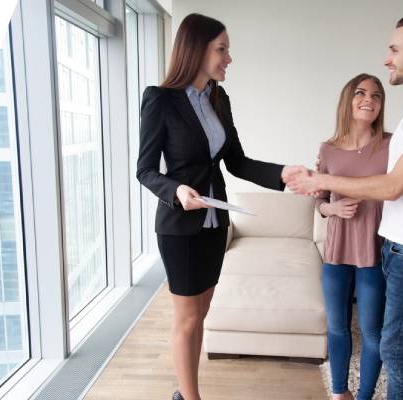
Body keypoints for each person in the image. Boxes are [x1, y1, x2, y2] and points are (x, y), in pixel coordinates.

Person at [288, 12, 403, 400]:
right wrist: (326, 198)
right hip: (395, 245)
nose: (387, 58)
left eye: (393, 49)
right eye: (360, 93)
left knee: (393, 346)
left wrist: (318, 180)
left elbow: (392, 185)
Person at [136, 13, 306, 400]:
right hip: (179, 226)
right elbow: (144, 170)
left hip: (216, 224)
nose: (228, 58)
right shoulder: (160, 99)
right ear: (196, 49)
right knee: (188, 318)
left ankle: (185, 393)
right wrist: (176, 189)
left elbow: (237, 162)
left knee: (201, 316)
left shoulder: (218, 98)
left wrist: (286, 174)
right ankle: (191, 397)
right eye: (222, 49)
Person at [316, 73, 403, 400]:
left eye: (377, 95)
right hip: (335, 253)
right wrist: (332, 211)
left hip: (375, 253)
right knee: (337, 328)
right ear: (347, 100)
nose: (369, 100)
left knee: (374, 334)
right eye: (361, 93)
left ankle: (364, 396)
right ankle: (340, 393)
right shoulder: (328, 149)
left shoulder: (394, 145)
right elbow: (319, 201)